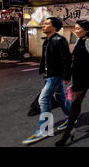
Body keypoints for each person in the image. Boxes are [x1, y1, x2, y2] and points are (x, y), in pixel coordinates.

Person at [23, 17, 72, 145]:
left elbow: (66, 59)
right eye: (43, 23)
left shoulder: (59, 40)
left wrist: (67, 76)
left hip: (55, 75)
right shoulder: (48, 40)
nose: (43, 26)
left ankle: (44, 130)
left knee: (43, 99)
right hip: (50, 74)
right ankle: (72, 117)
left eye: (46, 24)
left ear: (54, 27)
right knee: (60, 97)